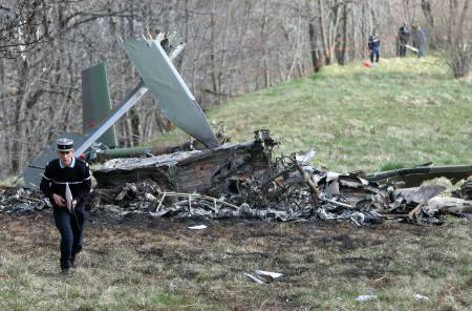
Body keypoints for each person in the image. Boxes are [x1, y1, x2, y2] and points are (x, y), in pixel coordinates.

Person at [40, 138, 92, 274]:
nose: (65, 156)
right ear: (58, 153)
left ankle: (72, 258)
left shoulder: (82, 166)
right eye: (62, 153)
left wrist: (77, 200)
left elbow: (87, 188)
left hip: (77, 206)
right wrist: (54, 196)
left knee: (77, 243)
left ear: (72, 152)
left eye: (67, 153)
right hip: (60, 207)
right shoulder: (52, 166)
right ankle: (66, 266)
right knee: (67, 236)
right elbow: (44, 186)